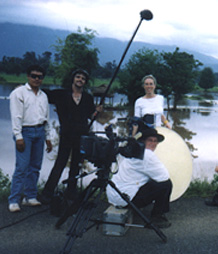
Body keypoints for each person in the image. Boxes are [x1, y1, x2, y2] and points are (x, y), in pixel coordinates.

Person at [38, 69, 100, 204]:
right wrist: (24, 89)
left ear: (85, 82)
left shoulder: (88, 98)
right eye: (78, 77)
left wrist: (96, 112)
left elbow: (91, 115)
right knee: (60, 163)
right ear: (73, 79)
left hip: (82, 135)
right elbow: (42, 94)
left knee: (76, 165)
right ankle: (47, 193)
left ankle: (71, 192)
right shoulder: (61, 94)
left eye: (83, 78)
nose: (80, 80)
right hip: (66, 135)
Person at [106, 128, 173, 228]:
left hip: (113, 196)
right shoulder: (147, 154)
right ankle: (157, 217)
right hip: (125, 199)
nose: (153, 144)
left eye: (155, 141)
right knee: (166, 185)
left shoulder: (129, 149)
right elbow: (164, 177)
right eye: (150, 140)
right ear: (142, 141)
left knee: (151, 179)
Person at [8, 65, 53, 212]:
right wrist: (18, 136)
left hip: (40, 131)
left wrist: (48, 137)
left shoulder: (43, 96)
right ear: (28, 76)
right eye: (34, 76)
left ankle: (30, 197)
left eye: (40, 77)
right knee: (22, 167)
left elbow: (46, 117)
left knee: (35, 167)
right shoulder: (18, 93)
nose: (37, 79)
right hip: (25, 132)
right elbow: (16, 116)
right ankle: (14, 200)